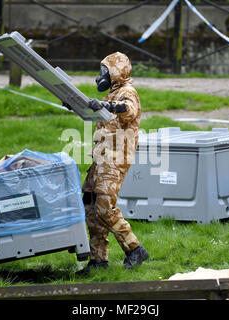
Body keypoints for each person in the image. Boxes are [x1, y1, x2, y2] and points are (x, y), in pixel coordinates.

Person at [76, 52, 149, 275]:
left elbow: (129, 109)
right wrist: (75, 105)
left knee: (105, 208)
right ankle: (98, 260)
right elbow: (102, 115)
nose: (100, 77)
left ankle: (135, 249)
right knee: (89, 203)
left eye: (104, 71)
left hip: (115, 159)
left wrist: (110, 105)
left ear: (116, 71)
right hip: (101, 157)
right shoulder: (113, 92)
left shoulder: (127, 93)